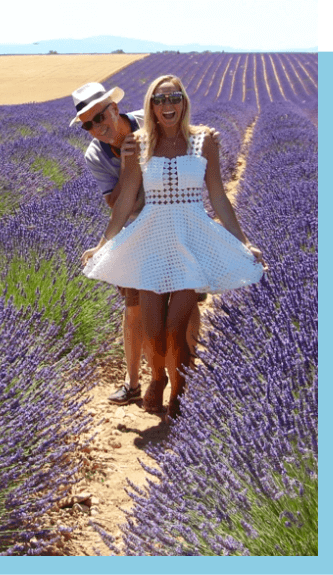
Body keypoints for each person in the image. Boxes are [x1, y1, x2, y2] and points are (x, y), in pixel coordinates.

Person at [81, 75, 265, 421]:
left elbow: (218, 197)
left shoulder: (204, 140)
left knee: (175, 325)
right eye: (160, 100)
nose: (168, 105)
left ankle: (179, 390)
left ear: (184, 102)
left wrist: (244, 243)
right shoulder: (137, 144)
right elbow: (123, 203)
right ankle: (157, 378)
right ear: (150, 106)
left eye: (174, 98)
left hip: (189, 236)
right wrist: (102, 244)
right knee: (152, 326)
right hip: (151, 236)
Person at [70, 82, 206, 406]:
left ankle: (187, 377)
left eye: (100, 117)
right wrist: (127, 164)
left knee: (187, 303)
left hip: (178, 222)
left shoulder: (149, 124)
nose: (97, 128)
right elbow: (116, 202)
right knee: (135, 309)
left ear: (114, 109)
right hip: (136, 231)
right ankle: (134, 383)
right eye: (88, 125)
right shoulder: (96, 155)